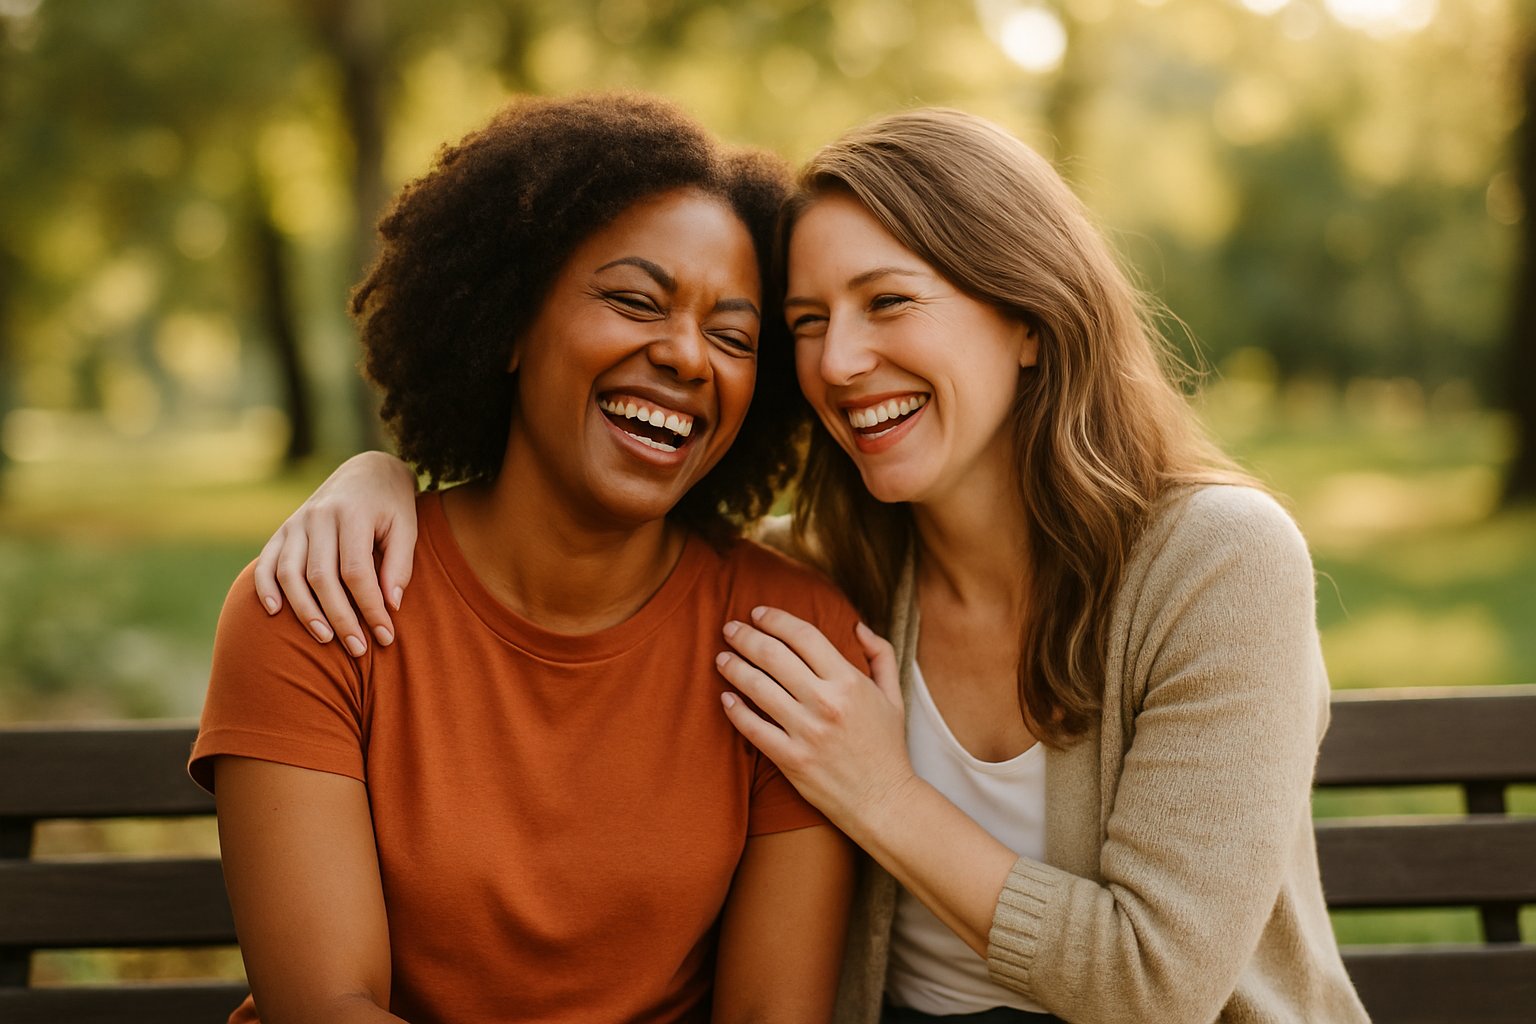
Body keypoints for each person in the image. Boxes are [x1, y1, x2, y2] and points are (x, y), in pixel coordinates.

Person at [255, 108, 1371, 1023]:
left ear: (1031, 317)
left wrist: (880, 790)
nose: (839, 362)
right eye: (803, 322)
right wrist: (378, 475)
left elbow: (1155, 984)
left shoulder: (1218, 564)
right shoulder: (827, 580)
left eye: (889, 302)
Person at [191, 93, 865, 1024]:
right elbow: (329, 1006)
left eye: (733, 337)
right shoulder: (318, 606)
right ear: (509, 323)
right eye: (635, 300)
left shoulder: (786, 640)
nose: (685, 356)